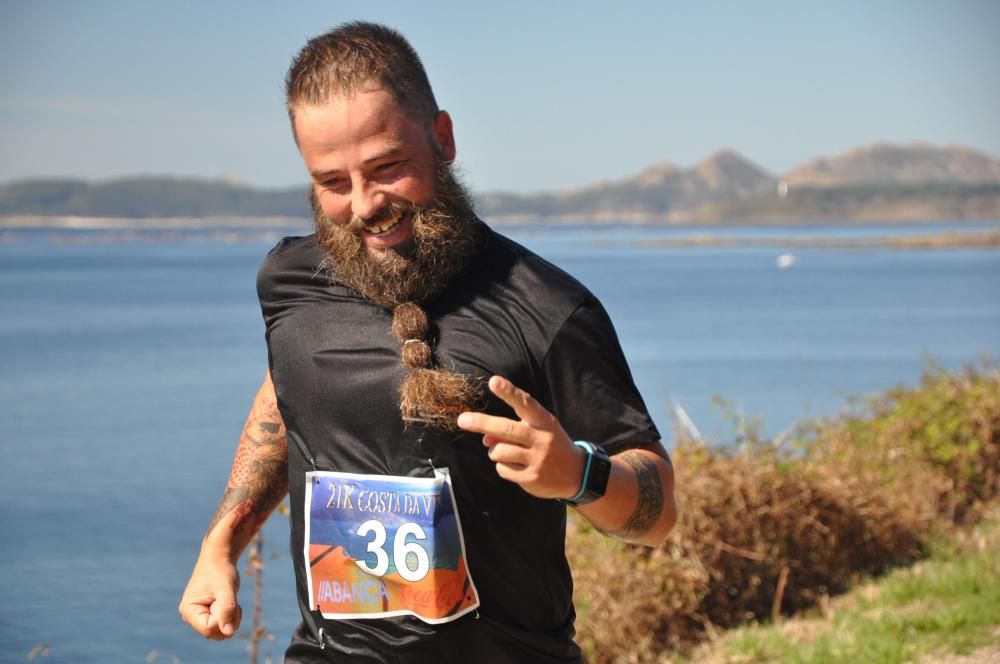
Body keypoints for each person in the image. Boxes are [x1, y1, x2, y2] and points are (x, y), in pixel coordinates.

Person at [179, 22, 677, 663]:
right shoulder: (289, 282)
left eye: (388, 169)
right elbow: (287, 394)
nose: (363, 205)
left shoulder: (549, 306)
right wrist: (221, 544)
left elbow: (658, 512)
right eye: (332, 182)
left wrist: (577, 474)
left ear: (442, 138)